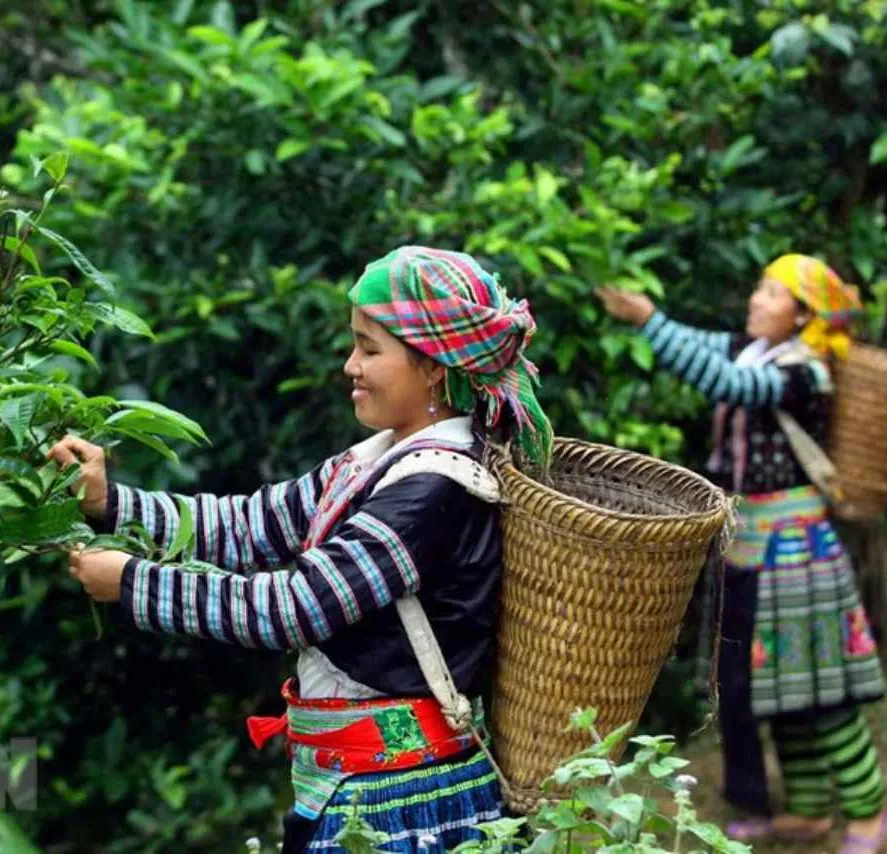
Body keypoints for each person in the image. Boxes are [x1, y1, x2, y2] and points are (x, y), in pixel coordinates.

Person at [48, 246, 552, 853]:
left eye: (370, 350)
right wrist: (111, 504)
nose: (350, 366)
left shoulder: (431, 490)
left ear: (434, 367)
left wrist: (134, 584)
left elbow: (295, 607)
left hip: (401, 804)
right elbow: (249, 523)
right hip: (357, 786)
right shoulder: (375, 464)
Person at [597, 254, 887, 853]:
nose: (755, 300)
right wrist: (644, 319)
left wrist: (650, 319)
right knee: (778, 686)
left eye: (771, 292)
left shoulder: (804, 371)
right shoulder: (751, 347)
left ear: (804, 315)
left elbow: (727, 384)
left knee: (821, 686)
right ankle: (810, 810)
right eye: (759, 288)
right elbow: (693, 342)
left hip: (796, 550)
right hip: (753, 544)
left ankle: (869, 812)